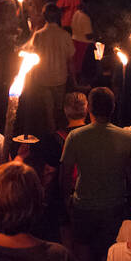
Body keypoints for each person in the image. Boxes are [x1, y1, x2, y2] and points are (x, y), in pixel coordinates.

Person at [60, 87, 131, 261]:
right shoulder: (126, 136)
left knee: (84, 256)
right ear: (113, 108)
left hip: (83, 204)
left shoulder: (76, 136)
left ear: (89, 108)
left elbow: (65, 173)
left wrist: (66, 199)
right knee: (110, 256)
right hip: (115, 204)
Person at [41, 91, 88, 247]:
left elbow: (49, 172)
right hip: (91, 193)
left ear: (65, 110)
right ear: (86, 109)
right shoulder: (95, 133)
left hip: (62, 197)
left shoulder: (54, 140)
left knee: (67, 241)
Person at [23, 3, 75, 136]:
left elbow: (29, 53)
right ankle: (58, 135)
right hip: (60, 78)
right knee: (58, 109)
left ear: (45, 16)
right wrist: (73, 79)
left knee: (47, 110)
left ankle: (50, 135)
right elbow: (70, 59)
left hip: (42, 78)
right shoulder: (65, 35)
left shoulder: (39, 35)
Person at [70, 0, 96, 84]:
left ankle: (77, 84)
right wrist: (96, 35)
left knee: (78, 68)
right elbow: (88, 36)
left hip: (75, 41)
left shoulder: (76, 13)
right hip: (85, 45)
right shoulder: (85, 18)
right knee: (85, 69)